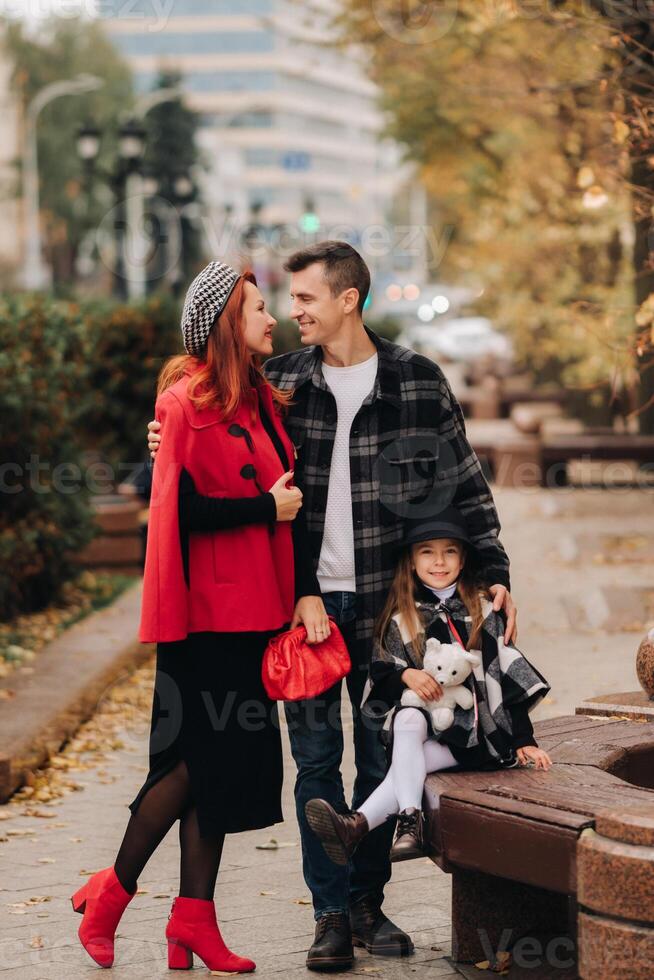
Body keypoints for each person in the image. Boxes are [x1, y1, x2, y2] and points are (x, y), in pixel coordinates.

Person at [148, 242, 519, 972]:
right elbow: (199, 436)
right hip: (306, 610)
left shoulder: (417, 381)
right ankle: (327, 914)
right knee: (315, 761)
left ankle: (365, 906)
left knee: (383, 755)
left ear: (349, 299)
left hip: (394, 614)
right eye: (286, 301)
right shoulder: (276, 382)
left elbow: (466, 483)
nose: (293, 312)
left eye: (307, 298)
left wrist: (496, 567)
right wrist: (155, 440)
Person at [71, 262, 326, 973]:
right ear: (225, 325)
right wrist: (262, 508)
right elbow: (173, 513)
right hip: (205, 619)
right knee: (194, 764)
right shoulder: (185, 403)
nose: (272, 319)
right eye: (258, 309)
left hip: (256, 612)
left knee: (211, 774)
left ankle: (191, 921)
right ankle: (113, 892)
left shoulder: (262, 401)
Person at [304, 505, 551, 867]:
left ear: (463, 558)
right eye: (427, 552)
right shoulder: (402, 617)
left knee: (409, 763)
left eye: (449, 551)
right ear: (412, 562)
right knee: (408, 721)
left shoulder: (483, 611)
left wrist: (524, 740)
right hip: (425, 732)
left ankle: (360, 825)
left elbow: (507, 678)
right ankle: (400, 820)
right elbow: (381, 673)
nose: (439, 562)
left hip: (477, 739)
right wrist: (406, 675)